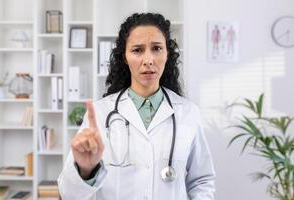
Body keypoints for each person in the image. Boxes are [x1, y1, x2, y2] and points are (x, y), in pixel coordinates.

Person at [58, 13, 215, 200]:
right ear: (125, 57)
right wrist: (86, 169)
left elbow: (202, 181)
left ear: (167, 54)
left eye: (156, 48)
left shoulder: (188, 112)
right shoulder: (100, 114)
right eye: (137, 50)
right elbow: (68, 194)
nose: (148, 59)